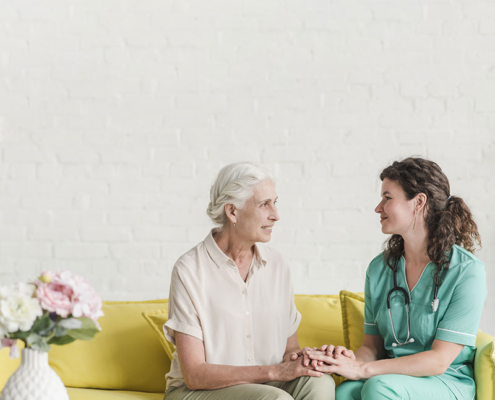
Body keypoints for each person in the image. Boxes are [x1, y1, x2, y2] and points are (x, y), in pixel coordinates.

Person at [307, 157, 486, 400]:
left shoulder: (466, 271)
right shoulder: (379, 269)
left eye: (387, 198)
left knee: (379, 387)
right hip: (390, 375)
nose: (378, 207)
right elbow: (372, 347)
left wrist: (362, 370)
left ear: (419, 202)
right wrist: (345, 361)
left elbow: (439, 361)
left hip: (446, 380)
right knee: (346, 391)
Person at [163, 162, 335, 400]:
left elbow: (289, 350)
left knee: (320, 383)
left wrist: (304, 360)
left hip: (267, 384)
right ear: (232, 211)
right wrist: (274, 371)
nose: (275, 215)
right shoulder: (189, 270)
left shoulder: (277, 265)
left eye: (275, 203)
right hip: (198, 391)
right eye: (264, 204)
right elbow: (194, 374)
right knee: (276, 399)